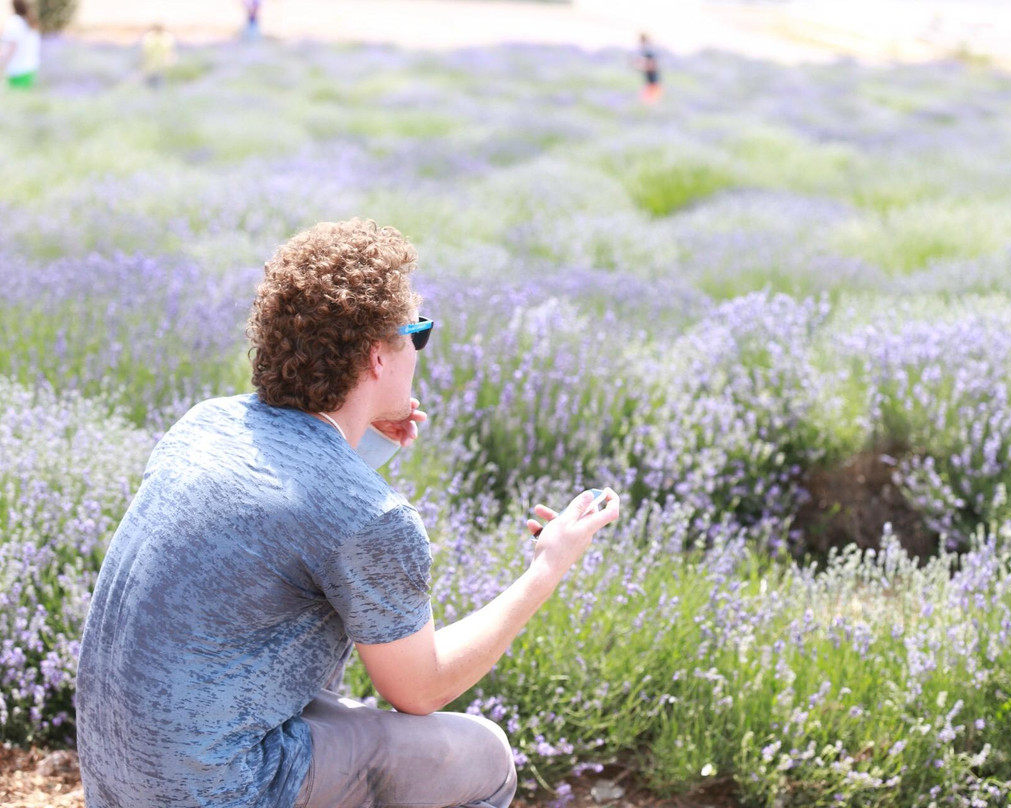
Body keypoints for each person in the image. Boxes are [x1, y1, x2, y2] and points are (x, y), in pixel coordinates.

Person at [75, 218, 620, 808]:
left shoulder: (204, 424)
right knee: (482, 755)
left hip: (114, 779)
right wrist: (547, 567)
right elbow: (421, 688)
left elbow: (292, 509)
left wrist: (362, 440)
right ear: (375, 356)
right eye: (418, 332)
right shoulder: (370, 518)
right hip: (220, 791)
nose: (419, 350)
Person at [0, 0, 41, 90]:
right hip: (30, 68)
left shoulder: (14, 22)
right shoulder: (31, 21)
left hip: (17, 69)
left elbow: (11, 46)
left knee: (15, 99)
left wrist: (2, 63)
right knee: (23, 99)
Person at [139, 23, 177, 88]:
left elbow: (170, 52)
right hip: (154, 65)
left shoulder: (164, 38)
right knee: (154, 82)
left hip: (158, 65)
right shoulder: (151, 38)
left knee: (159, 82)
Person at [635, 32, 662, 104]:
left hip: (653, 84)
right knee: (644, 103)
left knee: (648, 103)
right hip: (650, 83)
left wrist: (641, 66)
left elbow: (652, 66)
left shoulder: (649, 51)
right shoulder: (646, 51)